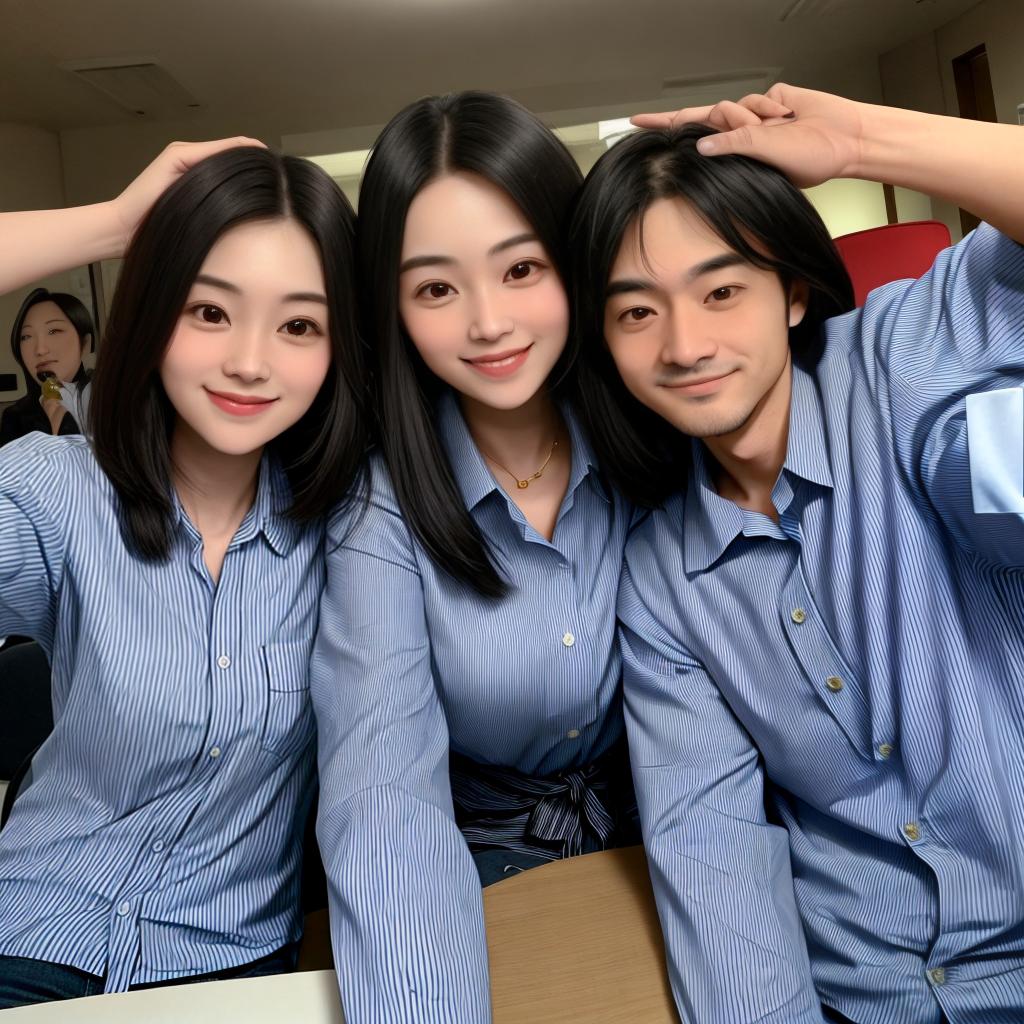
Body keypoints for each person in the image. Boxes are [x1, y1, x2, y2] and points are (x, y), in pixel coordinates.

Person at [569, 83, 1024, 1023]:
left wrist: (861, 138)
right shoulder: (659, 581)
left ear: (793, 293)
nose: (685, 344)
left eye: (722, 289)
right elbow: (715, 858)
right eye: (636, 313)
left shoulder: (899, 355)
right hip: (864, 996)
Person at [0, 140, 369, 1006]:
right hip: (30, 939)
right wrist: (115, 225)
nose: (250, 361)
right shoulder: (57, 492)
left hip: (227, 970)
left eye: (299, 325)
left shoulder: (357, 527)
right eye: (209, 312)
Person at [311, 91, 638, 1022]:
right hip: (480, 869)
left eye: (522, 267)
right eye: (436, 288)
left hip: (678, 840)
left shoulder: (654, 447)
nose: (488, 322)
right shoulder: (379, 510)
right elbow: (384, 792)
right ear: (395, 308)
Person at [0, 288, 94, 447]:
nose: (40, 350)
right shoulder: (15, 418)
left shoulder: (112, 399)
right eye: (26, 336)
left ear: (85, 344)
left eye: (54, 331)